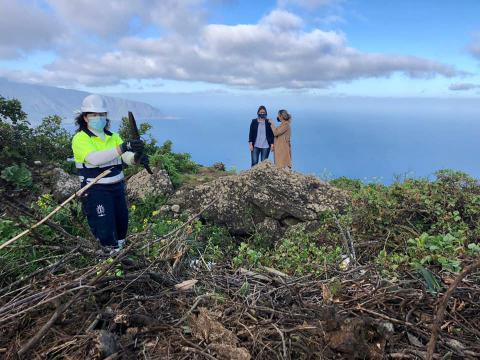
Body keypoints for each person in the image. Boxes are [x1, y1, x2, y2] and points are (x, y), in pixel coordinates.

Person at [72, 94, 148, 252]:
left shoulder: (113, 137)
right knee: (105, 229)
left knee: (121, 225)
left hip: (117, 189)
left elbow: (126, 158)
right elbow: (95, 159)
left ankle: (120, 260)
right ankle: (108, 262)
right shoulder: (80, 139)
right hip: (96, 191)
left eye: (102, 114)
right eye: (94, 114)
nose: (99, 118)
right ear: (85, 117)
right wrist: (123, 147)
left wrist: (137, 157)